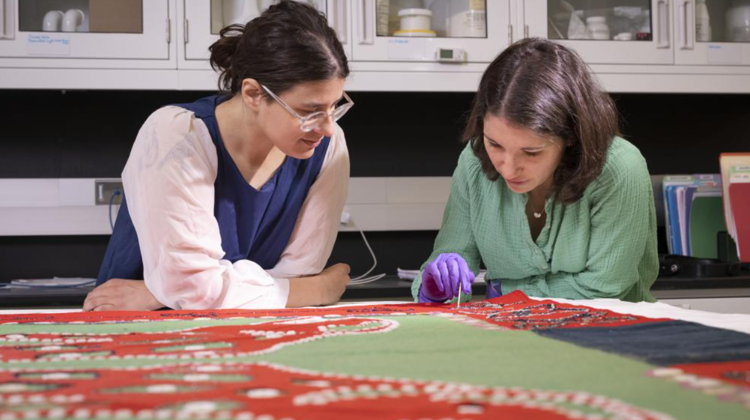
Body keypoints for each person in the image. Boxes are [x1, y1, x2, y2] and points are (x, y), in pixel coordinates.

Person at [84, 0, 353, 311]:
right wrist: (318, 290)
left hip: (264, 328)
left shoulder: (327, 148)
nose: (328, 127)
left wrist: (162, 293)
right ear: (253, 94)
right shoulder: (177, 134)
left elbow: (299, 273)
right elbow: (300, 287)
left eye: (335, 107)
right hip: (148, 332)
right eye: (309, 111)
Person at [413, 38, 658, 304]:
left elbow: (604, 286)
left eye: (531, 153)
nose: (508, 167)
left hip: (611, 337)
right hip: (512, 335)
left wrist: (507, 293)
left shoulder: (619, 167)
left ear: (571, 136)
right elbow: (453, 254)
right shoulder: (474, 162)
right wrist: (435, 287)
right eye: (495, 144)